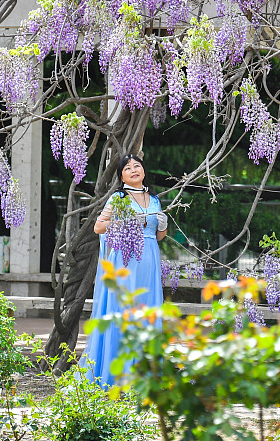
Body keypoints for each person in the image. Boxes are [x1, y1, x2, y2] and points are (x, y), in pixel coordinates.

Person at [81, 154, 167, 388]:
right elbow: (99, 227)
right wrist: (124, 222)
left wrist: (163, 224)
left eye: (137, 165)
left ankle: (146, 376)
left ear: (144, 171)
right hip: (126, 261)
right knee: (125, 311)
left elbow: (159, 236)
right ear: (121, 176)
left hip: (149, 260)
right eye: (128, 168)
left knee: (148, 311)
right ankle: (119, 376)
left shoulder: (154, 200)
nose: (133, 169)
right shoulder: (118, 198)